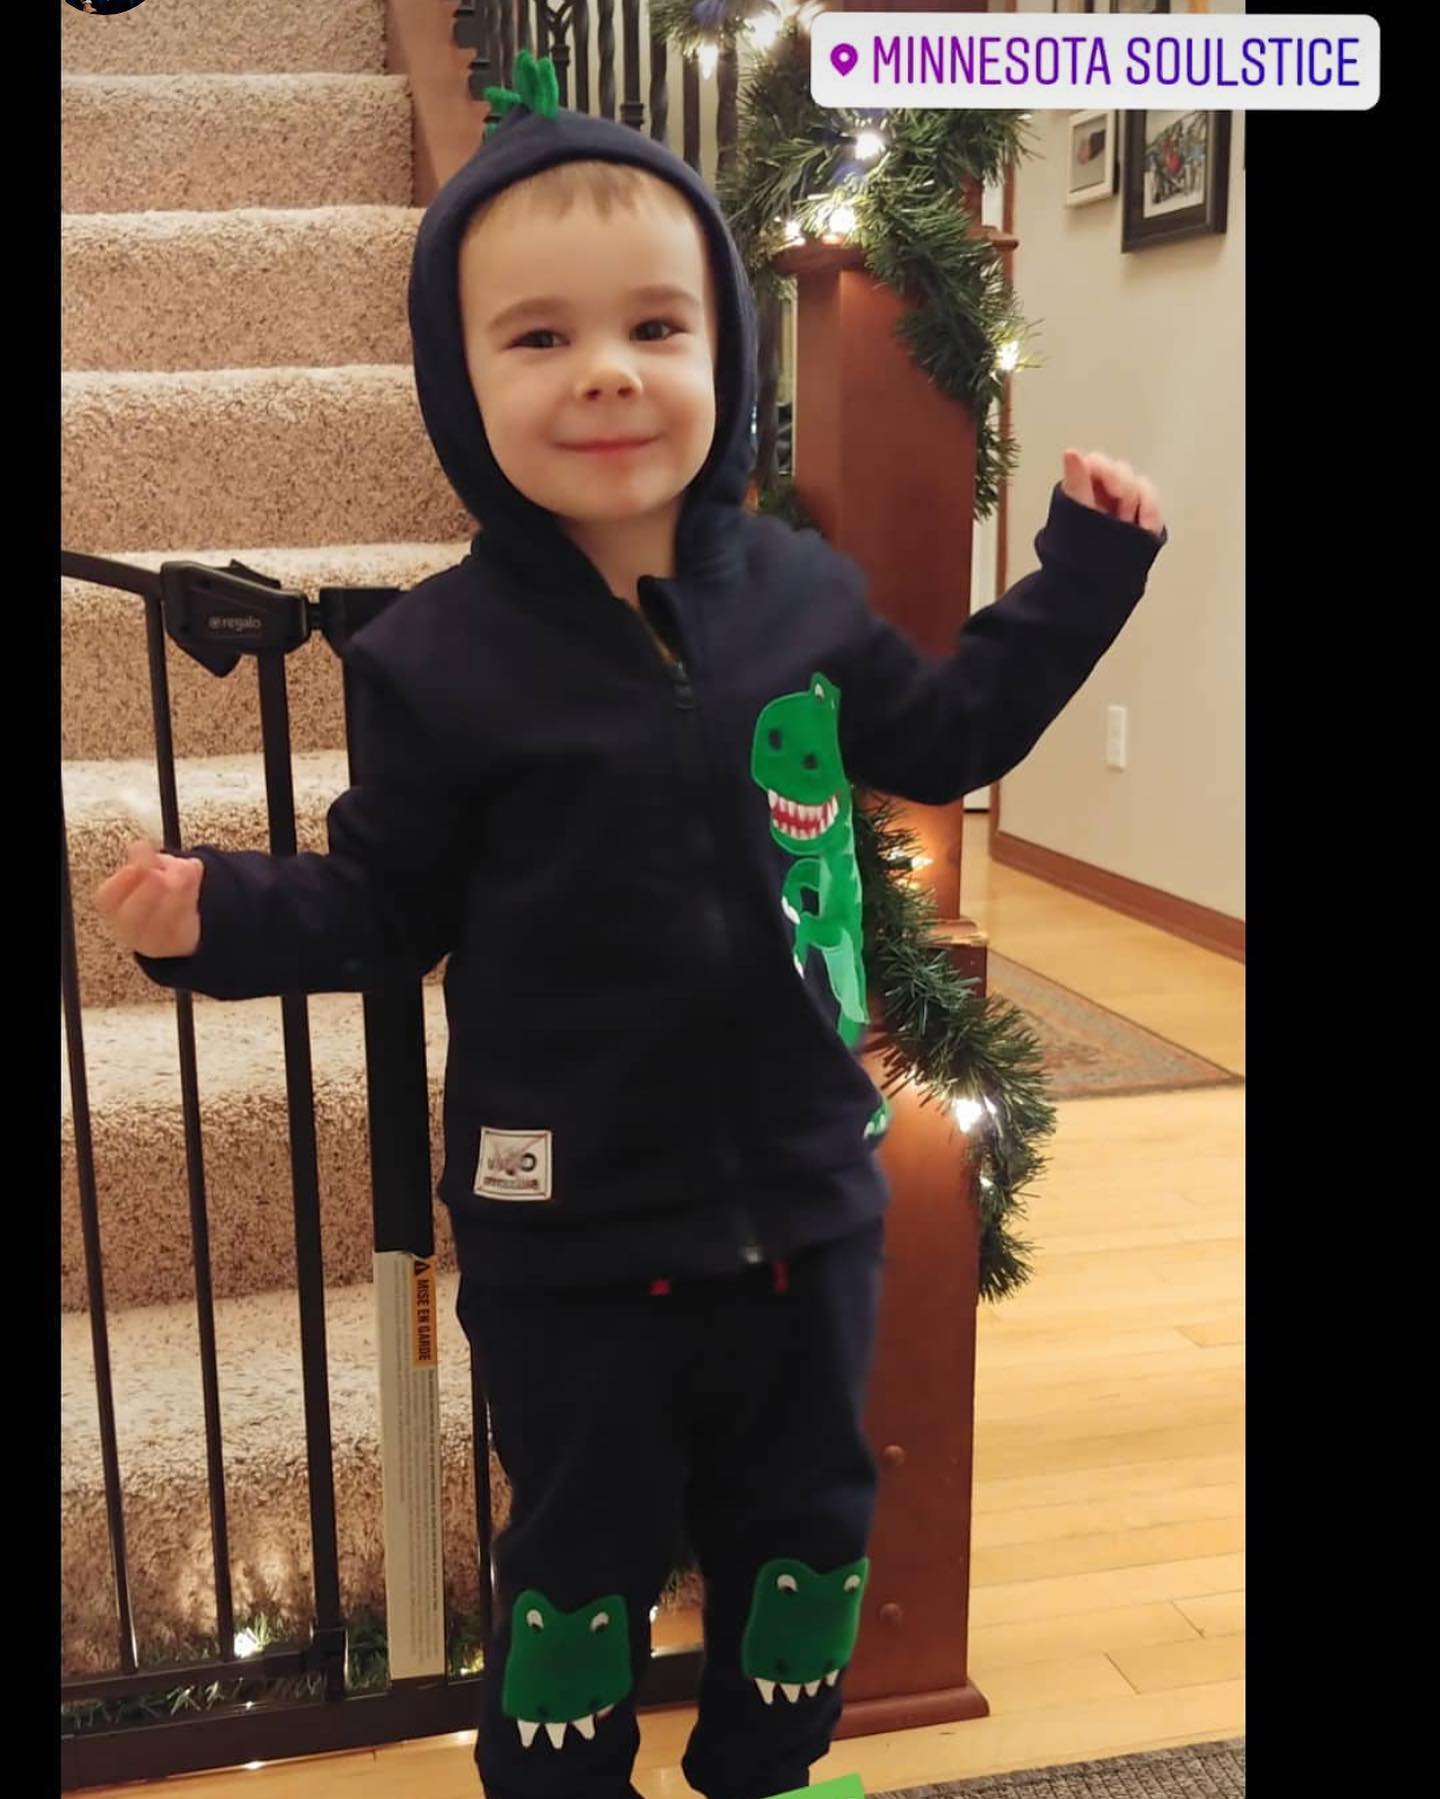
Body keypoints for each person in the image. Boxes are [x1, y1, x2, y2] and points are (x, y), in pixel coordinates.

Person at [94, 53, 1167, 1799]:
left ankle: (768, 1766)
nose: (607, 371)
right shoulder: (431, 662)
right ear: (461, 384)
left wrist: (1082, 578)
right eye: (538, 340)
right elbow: (385, 900)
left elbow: (953, 734)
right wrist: (215, 915)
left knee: (811, 1520)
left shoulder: (805, 596)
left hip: (804, 1192)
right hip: (565, 1220)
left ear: (726, 361)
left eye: (657, 329)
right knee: (583, 1555)